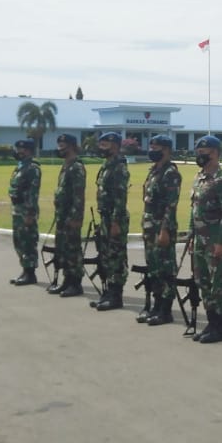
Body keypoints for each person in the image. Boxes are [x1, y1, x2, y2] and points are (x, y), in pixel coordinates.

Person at [189, 135, 222, 343]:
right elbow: (195, 211)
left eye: (204, 152)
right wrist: (191, 236)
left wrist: (221, 242)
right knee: (203, 281)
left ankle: (221, 326)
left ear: (215, 153)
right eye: (198, 152)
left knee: (218, 284)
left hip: (216, 239)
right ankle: (211, 323)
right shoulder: (199, 177)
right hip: (200, 239)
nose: (200, 155)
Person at [136, 134, 182, 326]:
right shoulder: (154, 170)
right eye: (151, 147)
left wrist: (164, 230)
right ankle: (155, 306)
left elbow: (170, 205)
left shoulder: (170, 173)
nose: (153, 150)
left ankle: (165, 310)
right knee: (153, 269)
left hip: (162, 228)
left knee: (165, 269)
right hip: (149, 227)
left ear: (167, 150)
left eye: (157, 148)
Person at [91, 131, 131, 311]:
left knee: (116, 256)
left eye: (105, 145)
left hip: (116, 218)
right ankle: (108, 291)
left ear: (115, 145)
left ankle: (116, 295)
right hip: (106, 216)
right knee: (106, 255)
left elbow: (120, 197)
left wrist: (116, 221)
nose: (102, 148)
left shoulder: (119, 167)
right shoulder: (106, 165)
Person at [47, 133, 87, 298]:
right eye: (59, 146)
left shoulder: (76, 167)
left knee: (72, 249)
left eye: (63, 146)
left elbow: (78, 195)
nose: (60, 149)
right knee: (63, 248)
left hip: (71, 215)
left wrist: (76, 217)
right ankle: (66, 280)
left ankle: (75, 283)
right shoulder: (66, 165)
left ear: (71, 147)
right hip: (62, 215)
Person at [8, 138, 41, 285]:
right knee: (19, 241)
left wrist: (30, 212)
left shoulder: (33, 168)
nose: (18, 152)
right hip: (17, 209)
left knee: (28, 241)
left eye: (21, 149)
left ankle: (30, 273)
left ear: (28, 151)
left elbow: (33, 192)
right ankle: (24, 270)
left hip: (26, 210)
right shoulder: (20, 167)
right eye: (17, 149)